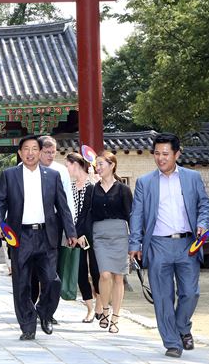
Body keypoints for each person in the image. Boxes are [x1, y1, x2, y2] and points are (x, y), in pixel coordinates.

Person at [129, 133, 209, 358]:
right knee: (163, 296)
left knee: (190, 293)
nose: (160, 158)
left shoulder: (192, 177)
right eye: (157, 153)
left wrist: (203, 224)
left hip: (188, 244)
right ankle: (172, 342)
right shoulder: (145, 182)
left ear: (177, 154)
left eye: (165, 153)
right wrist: (134, 243)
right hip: (158, 245)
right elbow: (136, 214)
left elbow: (204, 204)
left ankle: (182, 327)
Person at [0, 135, 76, 340]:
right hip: (20, 236)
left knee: (52, 280)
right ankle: (27, 325)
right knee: (21, 283)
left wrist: (71, 232)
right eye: (26, 149)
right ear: (20, 153)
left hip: (47, 236)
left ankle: (45, 313)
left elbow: (62, 206)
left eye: (34, 149)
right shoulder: (9, 175)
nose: (30, 153)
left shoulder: (52, 175)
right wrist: (0, 225)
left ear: (40, 152)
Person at [77, 151, 132, 334]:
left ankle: (115, 318)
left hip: (120, 235)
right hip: (98, 235)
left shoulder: (123, 189)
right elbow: (85, 213)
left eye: (101, 164)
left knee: (118, 277)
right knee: (105, 275)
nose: (97, 168)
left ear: (112, 165)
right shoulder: (93, 189)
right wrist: (80, 233)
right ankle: (105, 310)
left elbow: (131, 215)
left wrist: (135, 242)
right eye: (97, 164)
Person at [31, 136, 76, 323]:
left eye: (53, 152)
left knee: (52, 270)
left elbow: (67, 201)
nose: (50, 155)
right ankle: (30, 306)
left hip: (54, 223)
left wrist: (70, 229)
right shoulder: (27, 170)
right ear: (39, 151)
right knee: (32, 269)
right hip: (31, 223)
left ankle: (48, 309)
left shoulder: (60, 171)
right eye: (47, 152)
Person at [65, 152, 103, 323]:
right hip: (75, 236)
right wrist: (73, 234)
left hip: (91, 235)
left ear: (75, 164)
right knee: (79, 271)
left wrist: (82, 234)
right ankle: (89, 308)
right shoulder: (71, 187)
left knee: (96, 271)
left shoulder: (93, 184)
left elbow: (90, 213)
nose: (67, 169)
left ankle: (101, 307)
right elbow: (68, 212)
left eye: (68, 165)